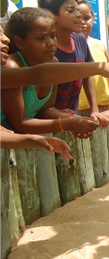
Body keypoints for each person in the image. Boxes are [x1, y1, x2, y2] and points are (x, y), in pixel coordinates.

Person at [1, 7, 100, 139]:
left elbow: (43, 111)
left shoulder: (53, 63)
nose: (51, 43)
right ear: (20, 42)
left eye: (53, 36)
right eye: (41, 38)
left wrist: (73, 118)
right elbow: (20, 123)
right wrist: (67, 124)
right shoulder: (12, 67)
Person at [37, 0, 109, 128]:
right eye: (70, 11)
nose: (78, 15)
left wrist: (94, 109)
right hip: (48, 122)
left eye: (77, 10)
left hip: (72, 117)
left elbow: (88, 73)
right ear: (51, 16)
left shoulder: (80, 40)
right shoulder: (47, 49)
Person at [0, 21, 72, 160]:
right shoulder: (9, 70)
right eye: (41, 38)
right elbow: (38, 75)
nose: (5, 39)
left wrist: (33, 140)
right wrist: (101, 68)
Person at [76, 0, 109, 119]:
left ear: (93, 19)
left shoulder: (100, 45)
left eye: (87, 18)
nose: (83, 22)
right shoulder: (69, 47)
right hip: (78, 107)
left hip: (103, 105)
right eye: (78, 18)